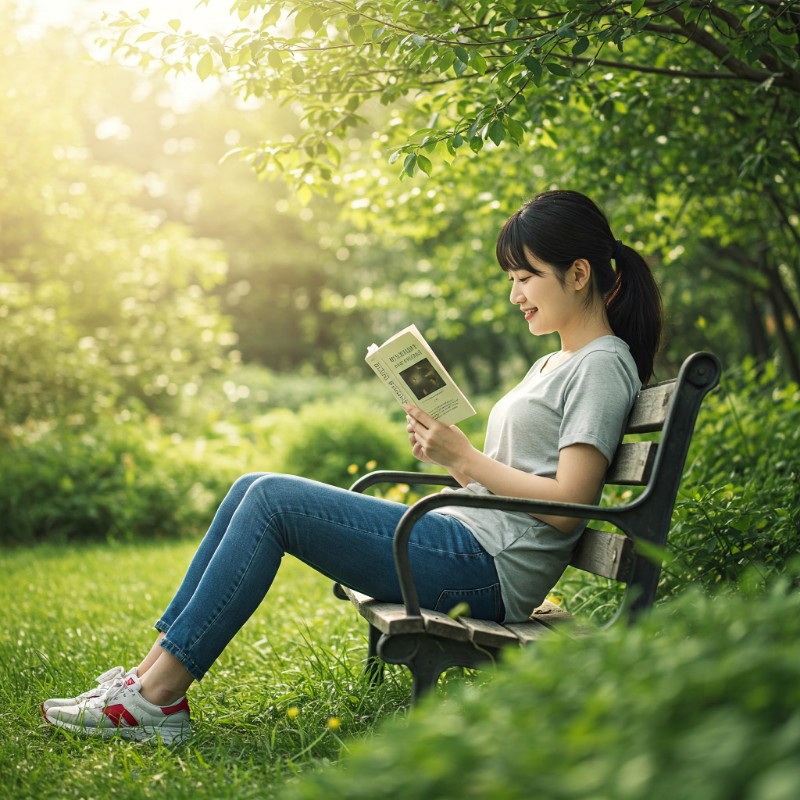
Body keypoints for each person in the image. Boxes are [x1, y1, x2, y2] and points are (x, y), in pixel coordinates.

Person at [42, 189, 662, 744]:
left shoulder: (602, 365)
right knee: (250, 486)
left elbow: (566, 508)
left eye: (526, 276)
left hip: (487, 572)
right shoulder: (557, 361)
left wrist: (465, 457)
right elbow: (511, 488)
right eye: (512, 278)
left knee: (273, 501)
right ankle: (148, 677)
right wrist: (451, 459)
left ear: (578, 274)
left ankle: (155, 700)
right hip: (466, 543)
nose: (514, 294)